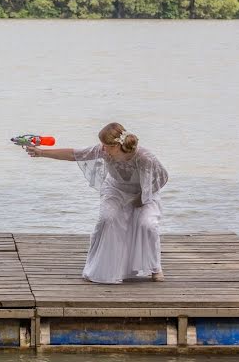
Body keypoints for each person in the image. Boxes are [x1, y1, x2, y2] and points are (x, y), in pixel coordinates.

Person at [25, 122, 168, 284]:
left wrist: (142, 198)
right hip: (116, 189)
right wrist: (41, 152)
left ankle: (156, 268)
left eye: (106, 145)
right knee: (107, 218)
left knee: (147, 224)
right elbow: (75, 154)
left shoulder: (143, 157)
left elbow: (163, 178)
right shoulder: (104, 151)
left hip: (143, 192)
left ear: (117, 145)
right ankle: (105, 267)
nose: (102, 148)